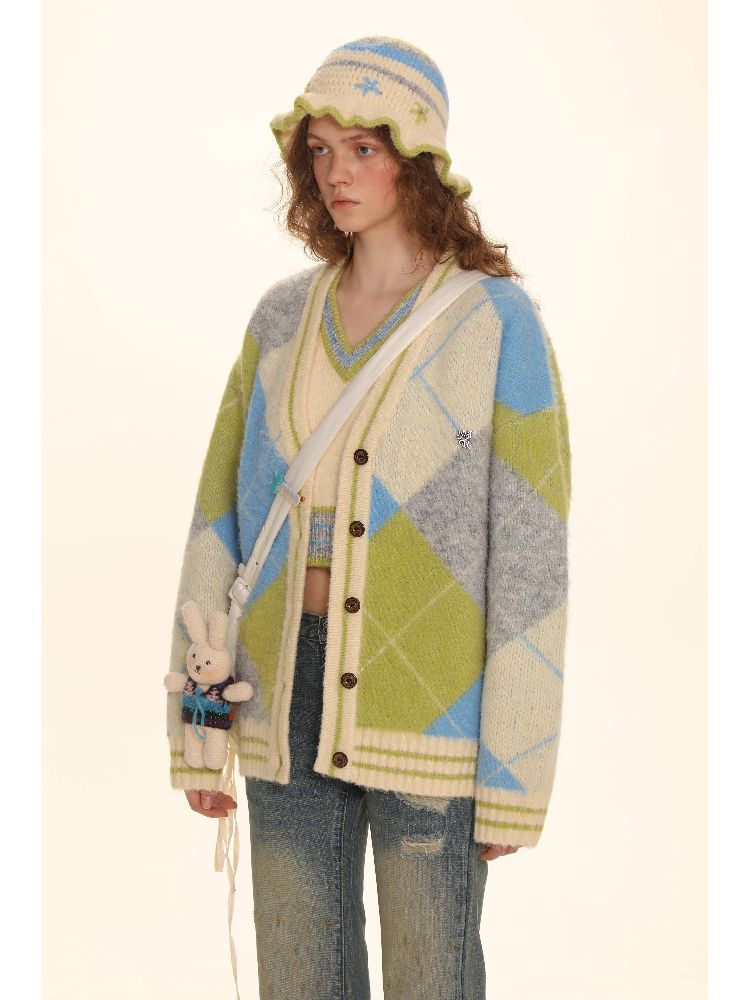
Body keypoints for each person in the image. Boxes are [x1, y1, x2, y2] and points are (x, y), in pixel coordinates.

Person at [166, 35, 571, 1000]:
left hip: (435, 713)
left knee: (434, 977)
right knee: (299, 975)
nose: (336, 173)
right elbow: (217, 523)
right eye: (319, 150)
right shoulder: (278, 320)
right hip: (277, 694)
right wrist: (197, 731)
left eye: (364, 148)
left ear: (418, 158)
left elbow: (531, 560)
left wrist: (515, 772)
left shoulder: (496, 324)